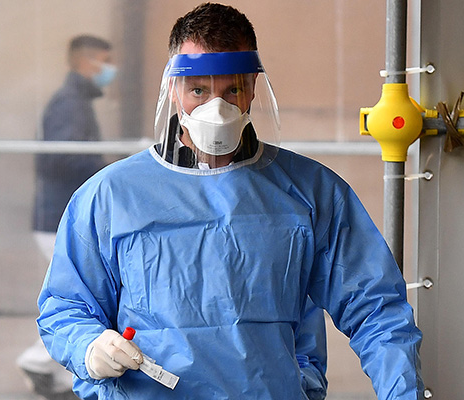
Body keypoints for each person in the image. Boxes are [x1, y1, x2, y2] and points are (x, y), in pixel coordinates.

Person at [35, 3, 422, 399]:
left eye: (232, 89)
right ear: (173, 87)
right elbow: (66, 305)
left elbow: (376, 309)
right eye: (198, 89)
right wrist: (90, 348)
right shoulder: (111, 196)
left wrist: (402, 392)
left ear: (254, 86)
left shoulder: (309, 192)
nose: (215, 109)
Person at [19, 34, 116, 400]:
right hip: (57, 217)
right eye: (103, 62)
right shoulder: (69, 104)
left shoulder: (75, 101)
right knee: (75, 298)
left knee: (74, 296)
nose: (109, 71)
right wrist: (109, 172)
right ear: (84, 62)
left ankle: (54, 375)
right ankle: (37, 360)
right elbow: (62, 157)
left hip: (59, 216)